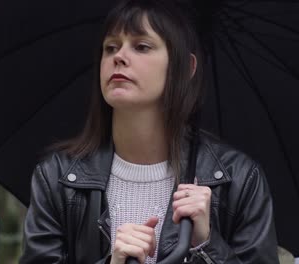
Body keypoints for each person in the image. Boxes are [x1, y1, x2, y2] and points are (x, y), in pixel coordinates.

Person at [19, 0, 279, 263]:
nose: (118, 57)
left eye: (141, 46)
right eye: (110, 48)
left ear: (187, 67)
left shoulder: (238, 180)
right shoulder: (58, 178)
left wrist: (207, 244)